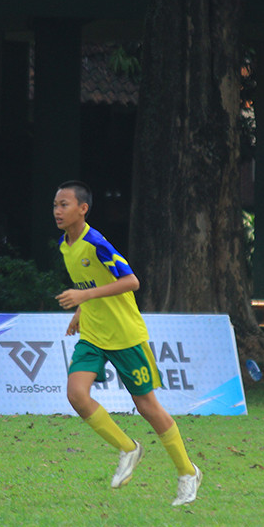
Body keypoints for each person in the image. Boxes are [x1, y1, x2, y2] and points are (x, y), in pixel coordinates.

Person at [52, 180, 202, 506]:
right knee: (76, 394)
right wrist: (81, 309)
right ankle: (128, 448)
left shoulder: (96, 243)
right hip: (93, 334)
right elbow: (89, 283)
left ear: (83, 209)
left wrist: (84, 296)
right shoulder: (66, 245)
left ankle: (187, 472)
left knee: (147, 406)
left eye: (64, 204)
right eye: (55, 205)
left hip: (125, 336)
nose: (58, 211)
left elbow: (131, 281)